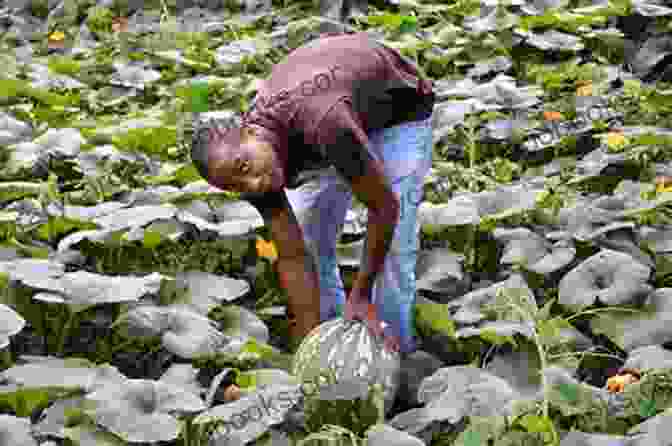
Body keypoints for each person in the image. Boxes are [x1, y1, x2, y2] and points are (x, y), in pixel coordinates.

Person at [191, 31, 435, 354]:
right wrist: (306, 352)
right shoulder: (247, 168)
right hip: (323, 133)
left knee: (393, 245)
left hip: (395, 114)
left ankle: (393, 355)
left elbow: (384, 208)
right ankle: (331, 353)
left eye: (244, 169)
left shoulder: (323, 121)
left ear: (250, 131)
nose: (253, 186)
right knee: (310, 243)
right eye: (236, 187)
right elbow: (292, 256)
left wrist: (360, 294)